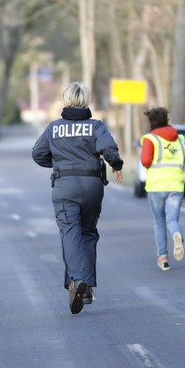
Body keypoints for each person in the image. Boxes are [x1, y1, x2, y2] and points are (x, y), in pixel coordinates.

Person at [32, 81, 124, 315]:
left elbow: (38, 154)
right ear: (86, 100)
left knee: (70, 233)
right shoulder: (95, 126)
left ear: (66, 100)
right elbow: (109, 149)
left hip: (65, 186)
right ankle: (86, 287)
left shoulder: (54, 128)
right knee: (88, 233)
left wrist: (58, 163)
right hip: (93, 185)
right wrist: (116, 165)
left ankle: (77, 280)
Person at [140, 107, 185, 272]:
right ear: (166, 120)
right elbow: (183, 160)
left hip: (157, 186)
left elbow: (145, 161)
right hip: (176, 185)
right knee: (171, 220)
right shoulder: (179, 139)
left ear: (151, 122)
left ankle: (163, 258)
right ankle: (176, 233)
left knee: (159, 222)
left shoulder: (150, 139)